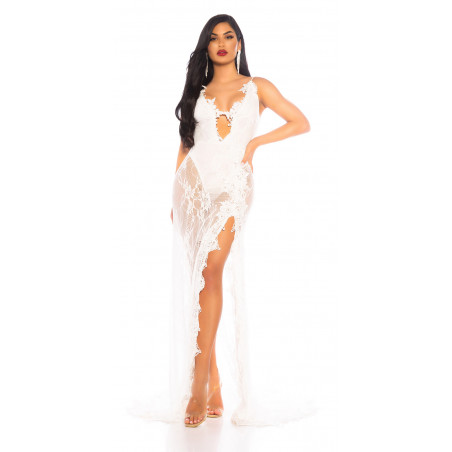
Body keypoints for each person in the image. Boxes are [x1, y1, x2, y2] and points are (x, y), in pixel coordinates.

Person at [128, 14, 313, 428]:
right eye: (214, 38)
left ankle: (197, 385)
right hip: (192, 186)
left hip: (233, 184)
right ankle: (212, 385)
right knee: (201, 280)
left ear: (239, 43)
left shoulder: (258, 87)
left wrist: (255, 143)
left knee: (211, 269)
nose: (222, 43)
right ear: (207, 47)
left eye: (229, 36)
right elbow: (186, 143)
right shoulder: (198, 91)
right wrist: (175, 195)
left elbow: (301, 122)